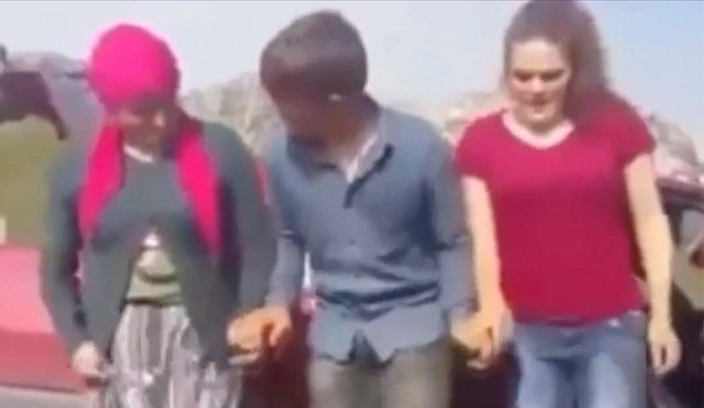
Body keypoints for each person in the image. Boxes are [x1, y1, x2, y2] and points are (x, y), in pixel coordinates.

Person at [246, 10, 480, 408]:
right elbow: (288, 237)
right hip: (334, 336)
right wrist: (278, 303)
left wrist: (461, 316)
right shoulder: (280, 155)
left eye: (287, 101)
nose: (278, 111)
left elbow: (452, 241)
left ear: (336, 100)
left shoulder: (421, 148)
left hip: (415, 329)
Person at [453, 1, 682, 407]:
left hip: (611, 328)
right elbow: (483, 242)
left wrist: (662, 319)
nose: (535, 88)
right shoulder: (480, 142)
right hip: (528, 334)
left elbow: (650, 221)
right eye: (522, 76)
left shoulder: (617, 125)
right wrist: (490, 309)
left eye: (550, 75)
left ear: (577, 70)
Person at [38, 23, 276, 408]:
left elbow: (258, 247)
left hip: (207, 341)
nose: (161, 121)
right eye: (143, 112)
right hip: (121, 349)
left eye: (166, 103)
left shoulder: (221, 149)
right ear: (113, 109)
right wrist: (78, 343)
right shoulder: (75, 167)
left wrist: (249, 318)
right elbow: (55, 272)